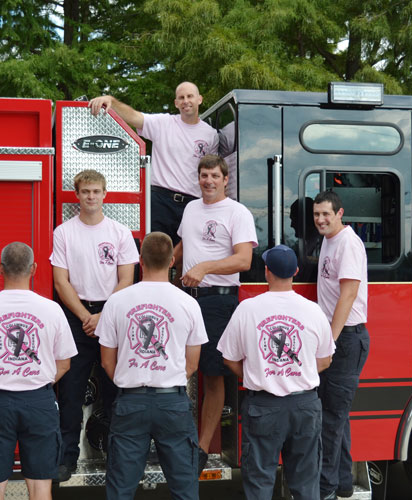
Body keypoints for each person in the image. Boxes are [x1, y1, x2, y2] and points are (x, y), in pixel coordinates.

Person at [0, 242, 77, 500]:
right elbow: (64, 364)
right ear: (33, 269)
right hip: (39, 402)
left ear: (0, 268)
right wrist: (34, 382)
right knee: (41, 486)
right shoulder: (52, 310)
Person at [96, 231, 208, 500]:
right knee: (184, 488)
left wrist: (131, 378)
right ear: (172, 261)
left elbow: (106, 361)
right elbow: (192, 364)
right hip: (173, 403)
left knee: (121, 489)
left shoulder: (116, 302)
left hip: (130, 403)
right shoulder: (189, 304)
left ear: (139, 260)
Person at [217, 244, 335, 500]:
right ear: (295, 271)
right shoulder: (314, 311)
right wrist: (295, 373)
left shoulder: (247, 309)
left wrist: (257, 374)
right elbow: (325, 361)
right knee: (306, 486)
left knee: (259, 484)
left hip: (263, 408)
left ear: (267, 272)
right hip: (305, 406)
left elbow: (229, 359)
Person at [49, 169, 139, 481]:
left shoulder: (119, 232)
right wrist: (86, 317)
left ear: (105, 194)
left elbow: (127, 279)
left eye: (96, 191)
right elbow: (61, 282)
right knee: (71, 392)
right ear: (77, 195)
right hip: (75, 317)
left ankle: (119, 459)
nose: (91, 197)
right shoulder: (64, 232)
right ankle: (66, 460)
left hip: (111, 316)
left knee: (116, 390)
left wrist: (103, 316)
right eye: (85, 192)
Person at [174, 154, 258, 474]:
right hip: (186, 299)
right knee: (180, 370)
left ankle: (201, 448)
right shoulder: (191, 208)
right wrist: (158, 261)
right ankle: (178, 441)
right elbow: (183, 247)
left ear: (225, 180)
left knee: (211, 375)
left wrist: (205, 267)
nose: (208, 181)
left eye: (214, 176)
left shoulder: (237, 213)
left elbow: (243, 261)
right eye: (203, 175)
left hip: (218, 301)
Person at [88, 82, 219, 244]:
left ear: (199, 99)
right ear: (176, 103)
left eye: (190, 96)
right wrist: (111, 101)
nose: (186, 101)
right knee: (155, 255)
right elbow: (135, 117)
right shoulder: (163, 123)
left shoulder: (210, 135)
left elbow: (212, 174)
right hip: (160, 201)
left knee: (186, 257)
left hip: (193, 204)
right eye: (181, 97)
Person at [313, 190, 370, 500]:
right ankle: (344, 484)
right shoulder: (329, 239)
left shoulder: (347, 243)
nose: (321, 219)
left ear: (340, 213)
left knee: (330, 419)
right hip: (338, 337)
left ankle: (324, 490)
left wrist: (330, 342)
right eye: (316, 214)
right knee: (337, 416)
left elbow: (348, 294)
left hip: (346, 338)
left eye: (326, 214)